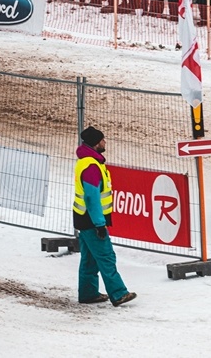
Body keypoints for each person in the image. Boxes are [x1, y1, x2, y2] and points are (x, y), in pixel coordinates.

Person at [74, 126, 136, 307]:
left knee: (89, 259)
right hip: (92, 220)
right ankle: (118, 293)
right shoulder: (92, 166)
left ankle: (88, 293)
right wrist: (100, 224)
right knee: (106, 256)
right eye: (102, 139)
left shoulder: (86, 162)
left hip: (83, 218)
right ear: (95, 143)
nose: (104, 142)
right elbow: (92, 198)